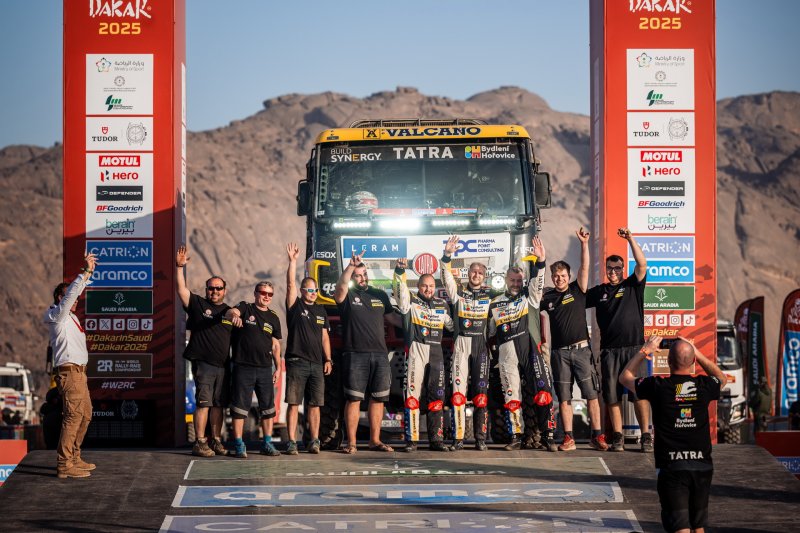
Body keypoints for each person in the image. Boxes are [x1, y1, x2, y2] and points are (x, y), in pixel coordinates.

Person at [620, 336, 726, 533]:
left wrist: (645, 350)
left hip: (672, 467)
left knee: (680, 527)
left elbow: (625, 377)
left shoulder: (657, 386)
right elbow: (722, 378)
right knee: (698, 526)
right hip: (702, 466)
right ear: (693, 361)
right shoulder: (704, 385)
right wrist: (697, 353)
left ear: (668, 362)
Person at [541, 228, 607, 451]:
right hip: (559, 354)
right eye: (556, 276)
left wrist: (584, 244)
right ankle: (568, 438)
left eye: (563, 275)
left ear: (569, 276)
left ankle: (597, 436)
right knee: (564, 397)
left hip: (582, 351)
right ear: (552, 278)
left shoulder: (578, 289)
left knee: (591, 395)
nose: (559, 279)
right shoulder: (548, 297)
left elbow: (585, 267)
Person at [488, 236, 557, 452]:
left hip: (531, 349)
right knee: (511, 394)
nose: (516, 284)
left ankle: (548, 435)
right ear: (506, 280)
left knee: (543, 391)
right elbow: (489, 332)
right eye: (513, 280)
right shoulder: (495, 303)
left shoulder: (530, 296)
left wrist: (541, 261)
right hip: (506, 352)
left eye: (519, 281)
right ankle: (515, 435)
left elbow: (538, 281)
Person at [586, 227, 650, 452]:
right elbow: (578, 295)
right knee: (612, 396)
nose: (613, 272)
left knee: (639, 394)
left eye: (617, 268)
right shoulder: (599, 291)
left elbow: (642, 264)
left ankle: (646, 436)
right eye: (610, 268)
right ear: (605, 269)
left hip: (635, 349)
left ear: (623, 269)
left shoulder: (632, 285)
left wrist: (630, 238)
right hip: (610, 351)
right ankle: (618, 437)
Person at [333, 250, 395, 454]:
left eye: (364, 274)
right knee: (354, 399)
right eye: (358, 275)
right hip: (355, 354)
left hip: (380, 354)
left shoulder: (379, 294)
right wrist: (350, 266)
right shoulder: (347, 295)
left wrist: (414, 323)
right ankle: (351, 443)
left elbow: (393, 318)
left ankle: (374, 441)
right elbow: (340, 287)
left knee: (378, 399)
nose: (362, 278)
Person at [44, 253, 98, 479]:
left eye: (76, 300)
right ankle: (64, 463)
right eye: (70, 298)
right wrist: (84, 272)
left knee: (85, 415)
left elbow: (76, 293)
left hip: (79, 374)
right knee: (73, 416)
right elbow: (72, 295)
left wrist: (88, 274)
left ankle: (74, 457)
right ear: (60, 297)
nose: (76, 301)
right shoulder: (57, 315)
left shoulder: (71, 318)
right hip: (69, 373)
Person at [176, 245, 233, 458]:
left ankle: (215, 440)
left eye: (218, 288)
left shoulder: (229, 311)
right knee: (204, 403)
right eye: (211, 288)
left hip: (223, 366)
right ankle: (200, 442)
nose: (214, 291)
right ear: (206, 289)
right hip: (204, 364)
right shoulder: (198, 304)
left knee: (218, 405)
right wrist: (179, 268)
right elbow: (181, 290)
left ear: (225, 291)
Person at [393, 259, 454, 452]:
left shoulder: (442, 304)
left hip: (436, 353)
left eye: (431, 286)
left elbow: (452, 326)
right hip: (416, 351)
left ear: (435, 287)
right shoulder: (410, 302)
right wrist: (399, 271)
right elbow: (400, 292)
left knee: (437, 397)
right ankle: (412, 441)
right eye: (424, 286)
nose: (428, 289)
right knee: (412, 396)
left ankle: (436, 440)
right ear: (418, 287)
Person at [440, 235, 492, 451]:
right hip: (461, 342)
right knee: (458, 393)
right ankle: (458, 438)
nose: (476, 275)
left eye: (480, 273)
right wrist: (447, 255)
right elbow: (446, 278)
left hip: (481, 345)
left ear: (484, 276)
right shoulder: (458, 293)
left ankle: (480, 438)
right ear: (468, 273)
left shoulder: (490, 295)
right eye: (473, 272)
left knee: (481, 395)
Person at [284, 242, 332, 455]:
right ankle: (292, 442)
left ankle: (314, 441)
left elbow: (324, 337)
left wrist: (328, 359)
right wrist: (292, 262)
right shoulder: (295, 306)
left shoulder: (321, 310)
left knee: (315, 404)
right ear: (303, 291)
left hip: (317, 364)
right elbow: (290, 285)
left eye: (316, 290)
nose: (313, 293)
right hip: (297, 362)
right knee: (294, 403)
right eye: (310, 290)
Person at [225, 282, 282, 458]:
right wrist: (234, 316)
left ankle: (267, 443)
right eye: (263, 293)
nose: (266, 297)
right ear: (256, 293)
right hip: (243, 367)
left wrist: (278, 368)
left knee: (268, 409)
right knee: (240, 409)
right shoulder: (245, 307)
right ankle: (239, 444)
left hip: (265, 368)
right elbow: (230, 312)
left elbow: (275, 345)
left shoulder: (273, 317)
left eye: (270, 294)